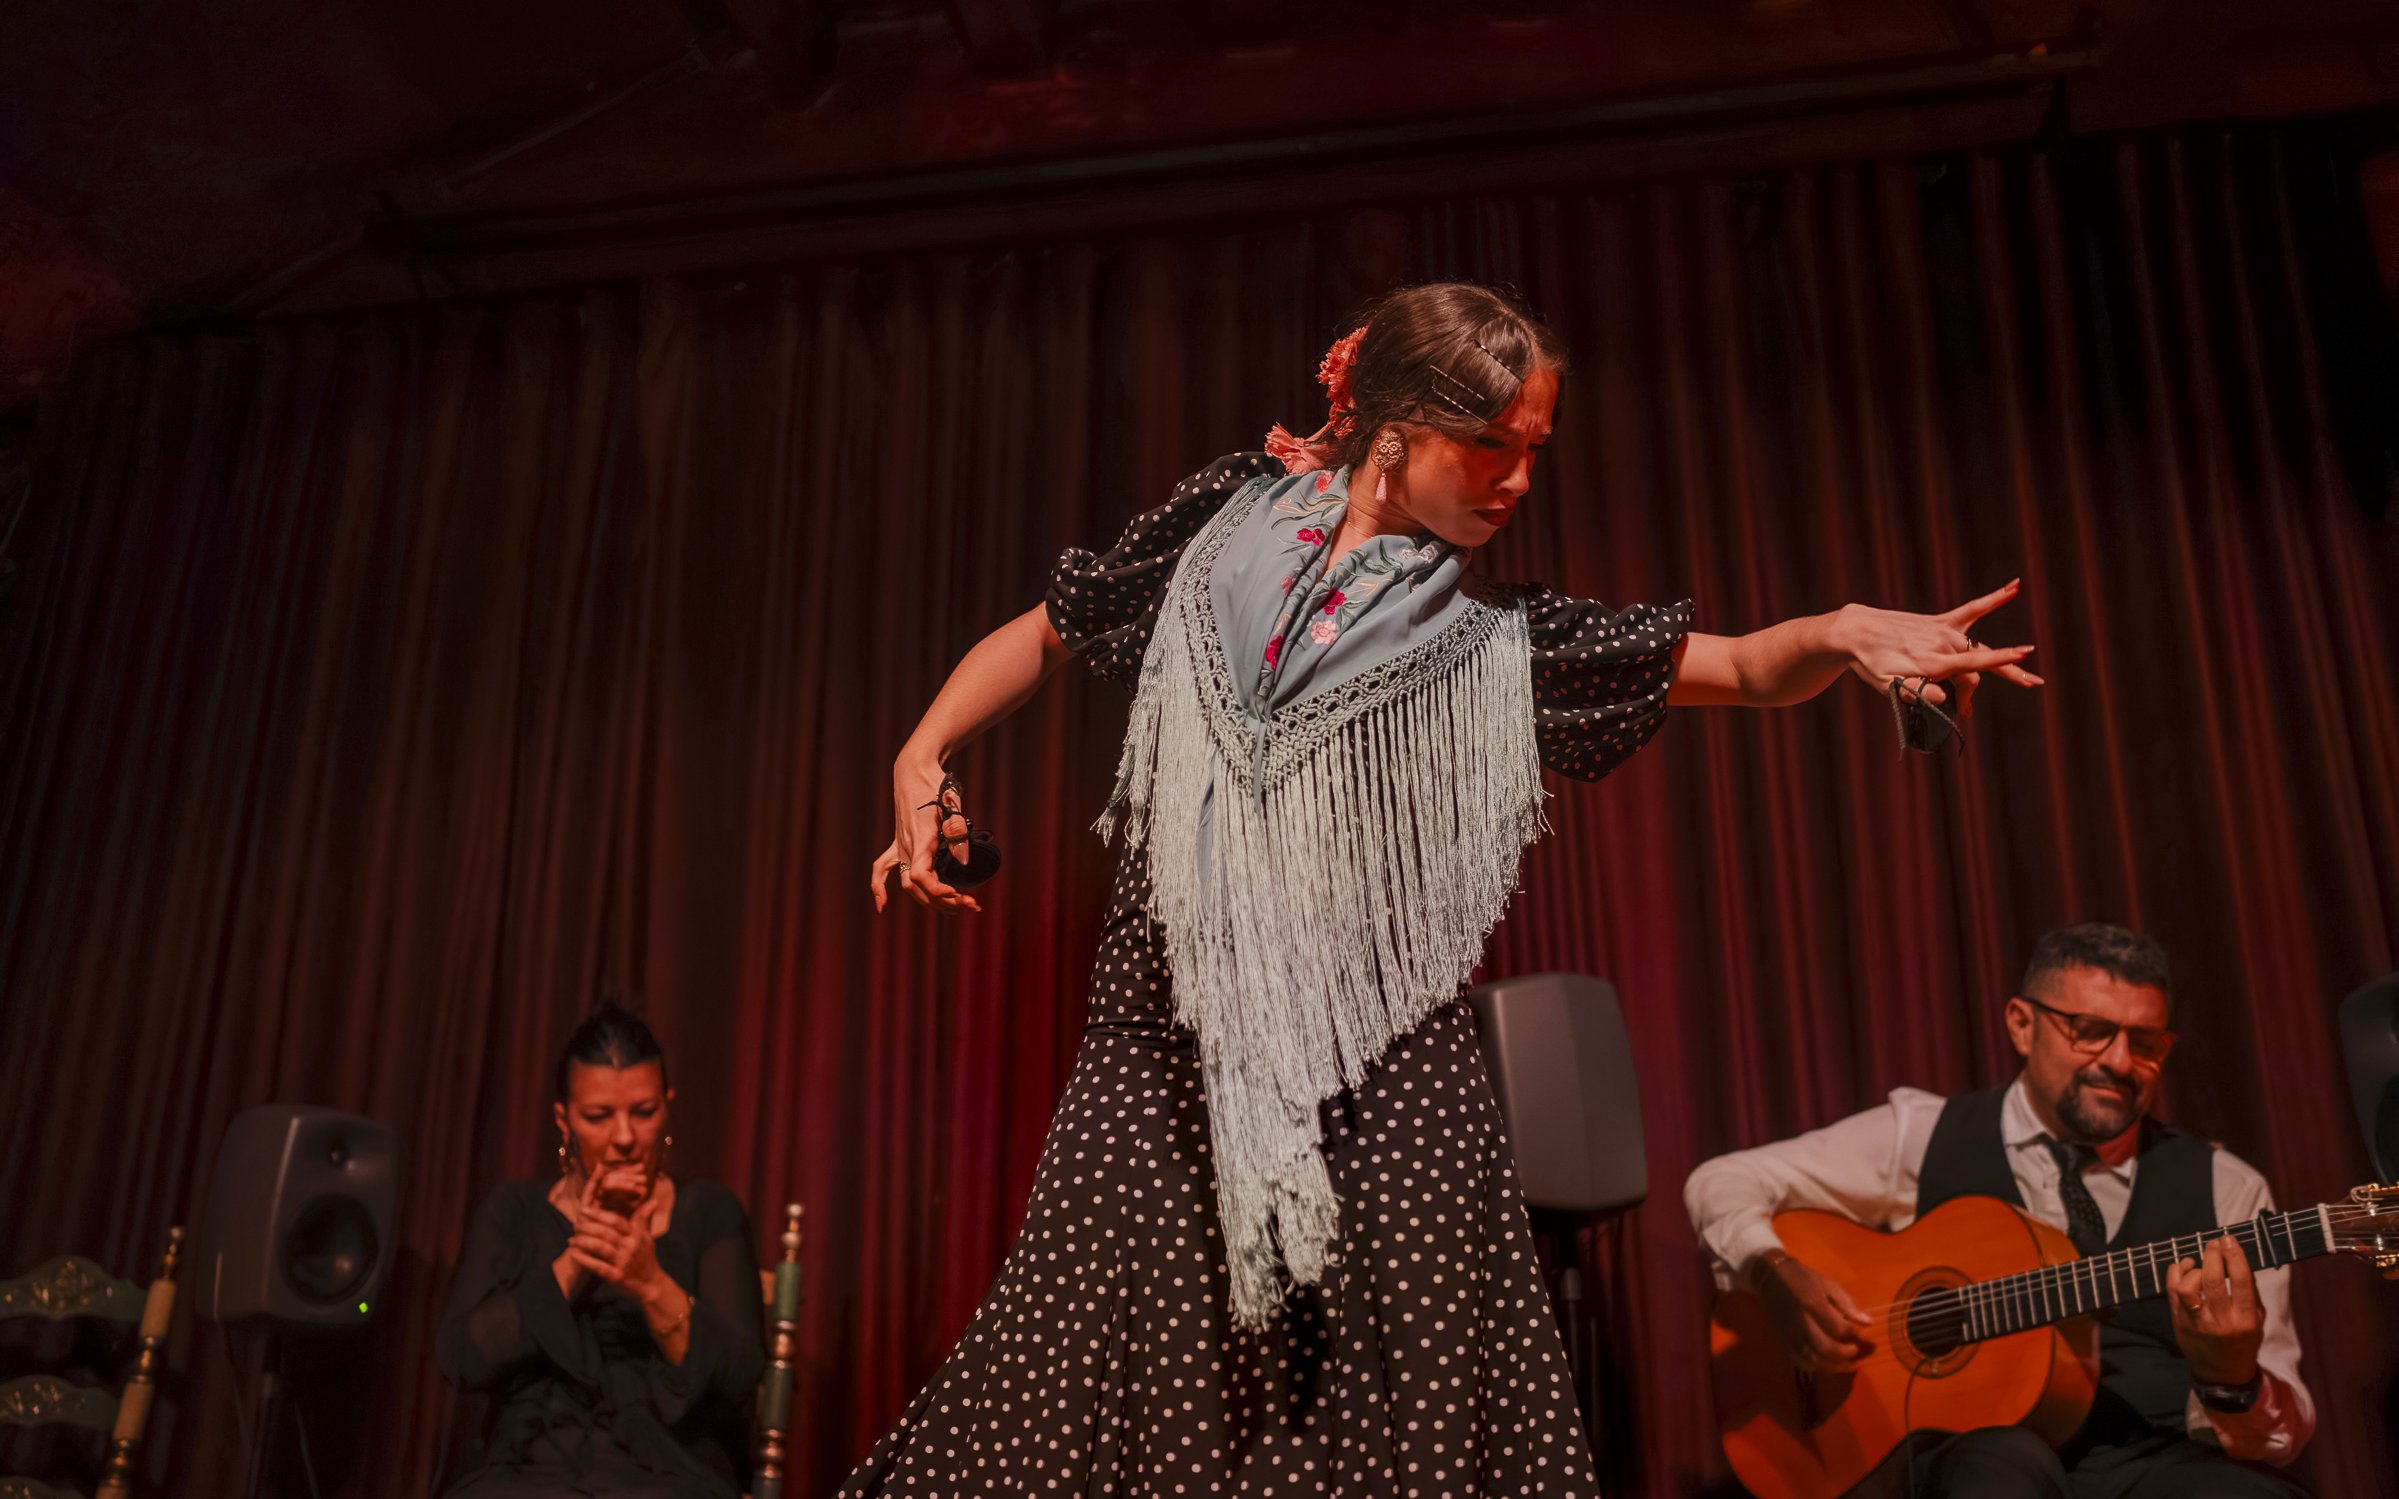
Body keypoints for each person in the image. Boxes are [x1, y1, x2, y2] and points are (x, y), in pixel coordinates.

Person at [847, 281, 2042, 1495]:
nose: (1516, 478)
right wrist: (921, 747)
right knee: (1054, 1398)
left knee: (1361, 1442)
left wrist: (1841, 633)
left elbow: (1736, 665)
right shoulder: (1221, 527)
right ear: (1390, 425)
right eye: (1488, 444)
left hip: (1379, 1101)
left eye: (1534, 450)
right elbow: (1055, 625)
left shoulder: (1494, 647)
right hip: (1158, 1061)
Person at [1683, 923, 2316, 1497]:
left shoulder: (2226, 1188)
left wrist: (2230, 1378)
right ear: (2021, 1024)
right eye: (2091, 1031)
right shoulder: (1922, 1133)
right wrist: (1769, 1272)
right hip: (1968, 1462)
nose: (2122, 1063)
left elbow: (2279, 1440)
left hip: (2149, 1465)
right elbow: (1722, 1179)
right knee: (2000, 1467)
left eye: (2146, 1043)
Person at [437, 1003, 766, 1499]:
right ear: (563, 1119)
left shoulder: (709, 1211)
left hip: (667, 1474)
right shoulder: (513, 1209)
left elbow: (740, 1376)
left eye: (644, 1112)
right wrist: (575, 1262)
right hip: (527, 1473)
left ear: (667, 1107)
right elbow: (461, 1358)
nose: (625, 1138)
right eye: (598, 1117)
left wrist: (651, 1283)